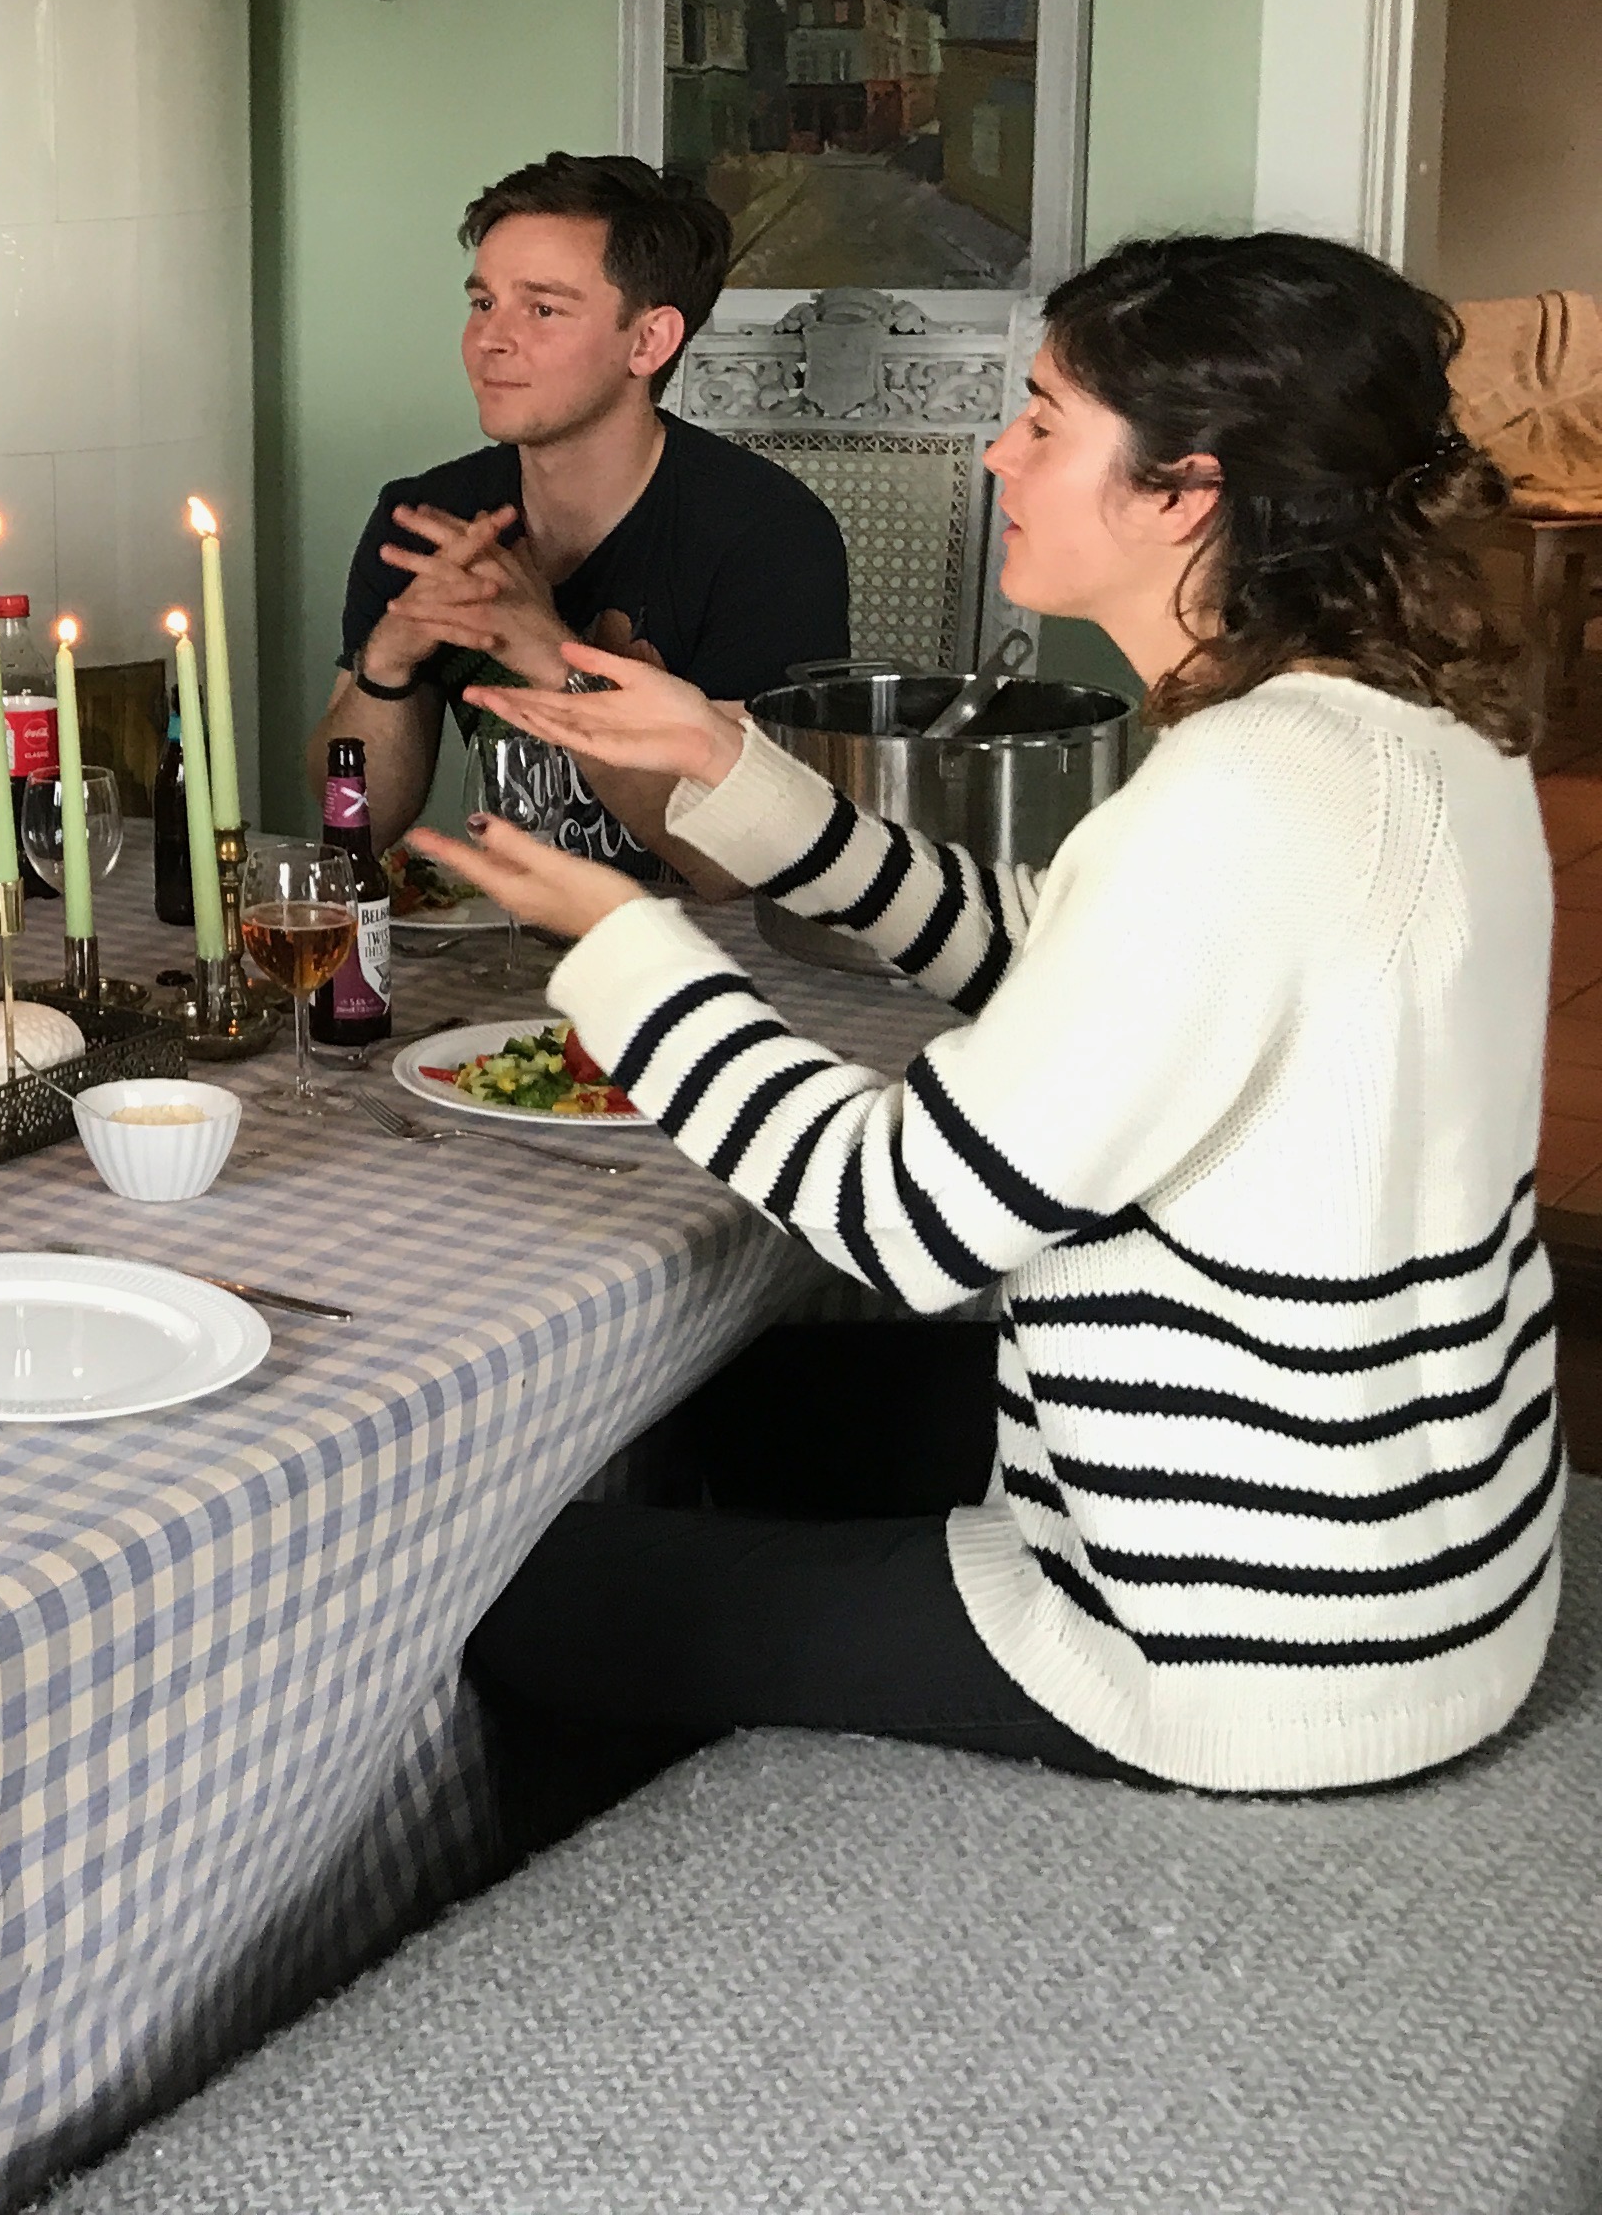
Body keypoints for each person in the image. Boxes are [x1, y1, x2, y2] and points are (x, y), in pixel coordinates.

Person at [416, 232, 1559, 1803]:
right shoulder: (1405, 738)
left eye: (1043, 419)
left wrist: (625, 948)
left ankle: (667, 1934)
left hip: (1231, 1648)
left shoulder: (1240, 798)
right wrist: (728, 772)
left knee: (532, 1603)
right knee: (751, 1408)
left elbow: (911, 1218)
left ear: (1186, 491)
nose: (995, 449)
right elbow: (1062, 957)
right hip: (1415, 1560)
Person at [316, 153, 848, 893]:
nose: (490, 341)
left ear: (649, 342)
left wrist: (557, 664)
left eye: (542, 309)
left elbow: (739, 865)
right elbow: (354, 831)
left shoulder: (768, 537)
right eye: (482, 304)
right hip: (504, 947)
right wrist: (387, 663)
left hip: (707, 961)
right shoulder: (429, 520)